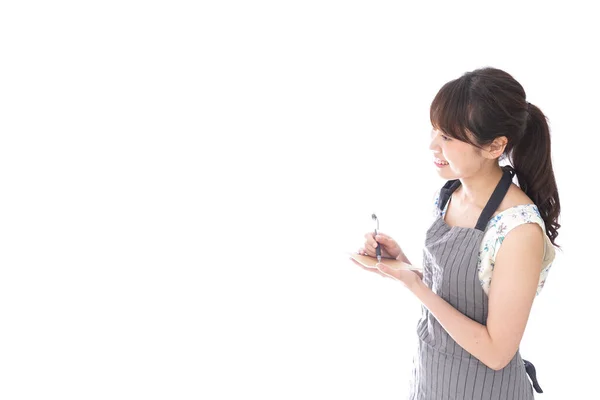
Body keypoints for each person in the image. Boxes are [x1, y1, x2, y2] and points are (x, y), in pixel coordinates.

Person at [355, 67, 560, 400]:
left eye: (448, 136)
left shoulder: (518, 230)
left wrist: (414, 284)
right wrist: (402, 265)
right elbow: (457, 296)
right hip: (430, 382)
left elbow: (496, 352)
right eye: (435, 130)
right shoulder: (451, 195)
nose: (433, 145)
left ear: (495, 146)